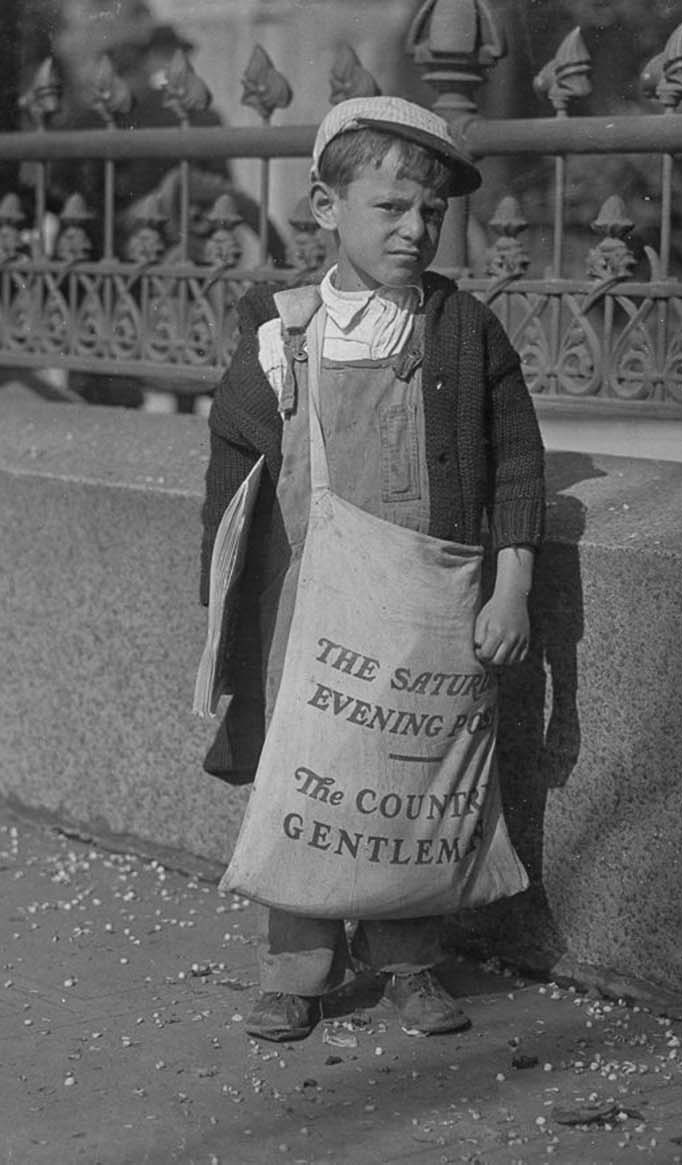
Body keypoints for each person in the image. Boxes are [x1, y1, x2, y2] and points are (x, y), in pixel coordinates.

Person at [198, 96, 546, 1043]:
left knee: (416, 765)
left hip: (430, 594)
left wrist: (511, 583)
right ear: (324, 205)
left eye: (429, 213)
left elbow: (516, 458)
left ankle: (410, 960)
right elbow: (234, 479)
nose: (413, 229)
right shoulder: (280, 334)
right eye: (389, 207)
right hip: (314, 601)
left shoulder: (463, 331)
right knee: (308, 777)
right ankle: (297, 967)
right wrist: (227, 611)